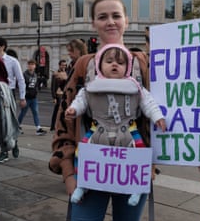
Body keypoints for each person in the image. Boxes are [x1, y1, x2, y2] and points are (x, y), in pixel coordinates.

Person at [49, 0, 155, 221]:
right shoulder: (84, 64)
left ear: (126, 21)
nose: (110, 22)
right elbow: (64, 123)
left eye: (116, 15)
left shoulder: (144, 63)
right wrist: (68, 172)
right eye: (102, 16)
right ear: (93, 23)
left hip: (133, 171)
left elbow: (169, 112)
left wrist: (198, 155)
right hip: (89, 169)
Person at [65, 44, 166, 206]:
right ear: (99, 64)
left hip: (127, 131)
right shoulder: (89, 87)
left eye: (120, 62)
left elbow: (149, 103)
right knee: (83, 155)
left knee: (136, 159)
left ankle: (137, 188)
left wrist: (157, 116)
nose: (114, 64)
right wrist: (73, 110)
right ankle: (82, 184)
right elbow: (80, 101)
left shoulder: (137, 88)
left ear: (127, 67)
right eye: (109, 61)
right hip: (98, 130)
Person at [0, 37, 26, 163]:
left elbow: (20, 79)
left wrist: (22, 97)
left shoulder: (12, 61)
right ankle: (5, 150)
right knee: (0, 124)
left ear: (2, 47)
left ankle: (12, 142)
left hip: (8, 93)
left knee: (8, 121)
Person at [17, 59, 47, 136]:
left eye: (32, 64)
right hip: (27, 97)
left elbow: (36, 84)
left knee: (35, 112)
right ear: (28, 65)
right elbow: (22, 85)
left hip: (34, 97)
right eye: (29, 64)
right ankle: (17, 126)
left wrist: (37, 90)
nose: (31, 66)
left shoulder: (35, 75)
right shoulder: (24, 74)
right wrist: (22, 97)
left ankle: (38, 128)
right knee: (23, 113)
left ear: (35, 66)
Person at [50, 59, 68, 132]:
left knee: (63, 111)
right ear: (59, 65)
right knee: (57, 111)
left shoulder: (66, 73)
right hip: (58, 95)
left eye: (65, 65)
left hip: (65, 95)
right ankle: (53, 126)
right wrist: (54, 97)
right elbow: (53, 86)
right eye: (62, 65)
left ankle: (60, 126)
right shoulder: (56, 74)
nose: (64, 66)